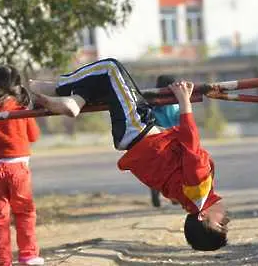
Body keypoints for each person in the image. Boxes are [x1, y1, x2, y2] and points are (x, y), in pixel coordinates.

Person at [29, 58, 229, 251]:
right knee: (104, 84)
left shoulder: (198, 191)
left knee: (110, 68)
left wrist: (184, 101)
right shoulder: (189, 199)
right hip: (138, 132)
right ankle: (75, 101)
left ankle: (58, 87)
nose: (226, 219)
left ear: (202, 216)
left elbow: (191, 143)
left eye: (220, 225)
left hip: (138, 127)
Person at [0, 66, 44, 266]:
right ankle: (28, 255)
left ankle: (2, 260)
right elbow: (34, 136)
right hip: (18, 169)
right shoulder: (20, 110)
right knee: (25, 212)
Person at [149, 75, 181, 208]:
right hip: (173, 137)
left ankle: (162, 193)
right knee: (173, 168)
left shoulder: (154, 100)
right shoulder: (176, 101)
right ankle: (173, 195)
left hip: (160, 138)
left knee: (161, 169)